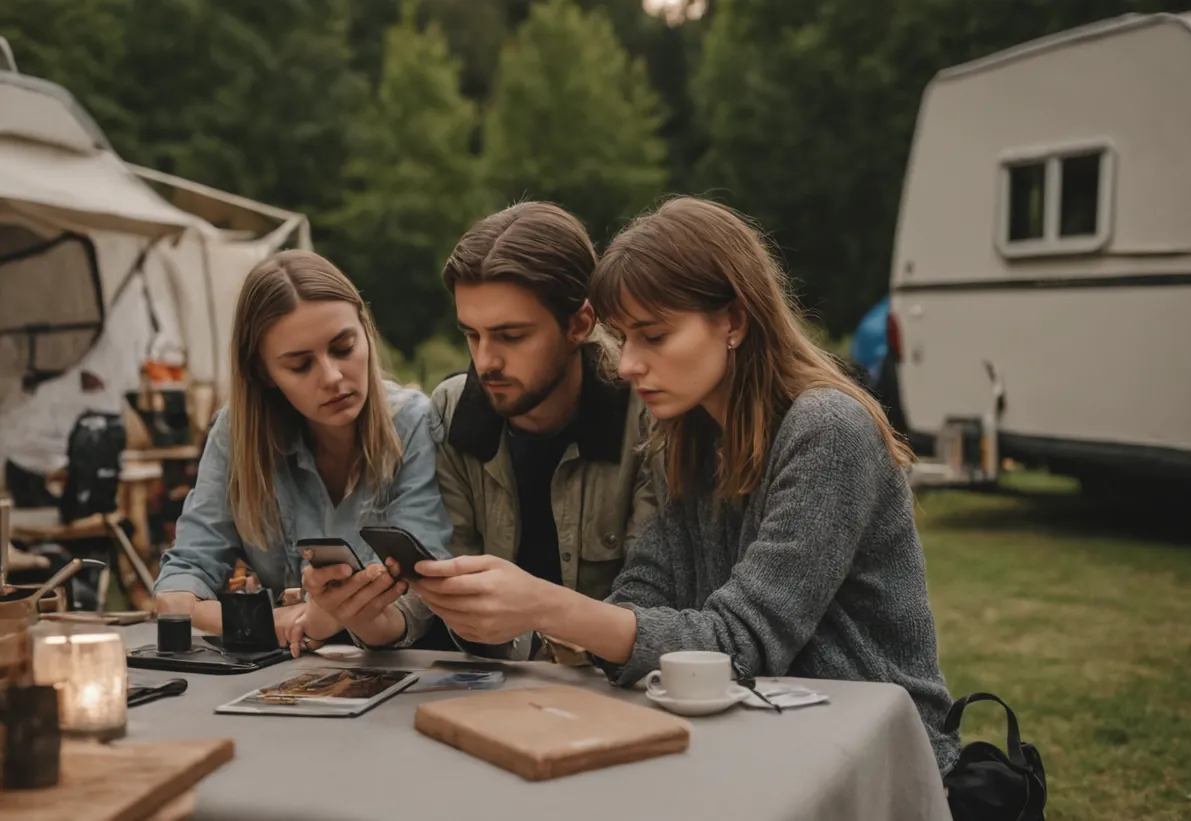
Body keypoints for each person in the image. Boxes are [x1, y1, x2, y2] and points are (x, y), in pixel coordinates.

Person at [412, 196, 959, 771]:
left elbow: (740, 641)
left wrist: (541, 605)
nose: (626, 366)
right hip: (754, 744)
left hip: (875, 758)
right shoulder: (689, 436)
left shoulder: (827, 428)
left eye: (654, 336)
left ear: (734, 321)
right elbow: (642, 597)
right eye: (624, 338)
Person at [153, 250, 452, 656]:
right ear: (263, 373)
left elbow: (422, 597)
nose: (331, 377)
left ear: (366, 331)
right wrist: (275, 622)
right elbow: (178, 587)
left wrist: (328, 618)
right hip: (286, 676)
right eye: (299, 365)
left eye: (343, 348)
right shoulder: (237, 434)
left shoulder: (416, 424)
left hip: (398, 673)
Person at [426, 201, 656, 661]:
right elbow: (449, 591)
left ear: (579, 324)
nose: (485, 360)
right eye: (471, 335)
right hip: (488, 683)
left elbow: (651, 600)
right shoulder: (451, 410)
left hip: (610, 690)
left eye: (511, 336)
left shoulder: (647, 415)